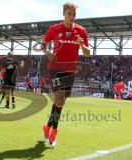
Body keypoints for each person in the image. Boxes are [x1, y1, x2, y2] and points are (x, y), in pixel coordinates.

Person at [41, 2, 90, 147]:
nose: (72, 16)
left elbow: (87, 54)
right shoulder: (54, 29)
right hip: (55, 68)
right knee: (60, 100)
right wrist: (48, 53)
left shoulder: (81, 30)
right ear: (63, 13)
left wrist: (82, 45)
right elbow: (43, 45)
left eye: (74, 14)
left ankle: (47, 126)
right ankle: (54, 132)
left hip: (70, 70)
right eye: (69, 13)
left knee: (59, 102)